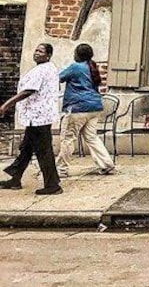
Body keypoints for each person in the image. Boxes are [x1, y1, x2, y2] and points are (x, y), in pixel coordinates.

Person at [0, 43, 62, 195]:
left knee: (44, 151)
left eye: (41, 51)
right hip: (38, 116)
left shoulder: (43, 70)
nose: (36, 53)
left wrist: (6, 105)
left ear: (48, 55)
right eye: (36, 50)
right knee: (26, 149)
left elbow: (28, 91)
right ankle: (15, 177)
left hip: (38, 117)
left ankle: (53, 185)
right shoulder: (48, 68)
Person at [56, 43, 116, 177]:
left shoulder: (75, 67)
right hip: (94, 106)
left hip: (77, 107)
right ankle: (107, 165)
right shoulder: (92, 66)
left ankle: (61, 169)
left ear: (77, 55)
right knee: (91, 137)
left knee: (68, 138)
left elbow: (58, 78)